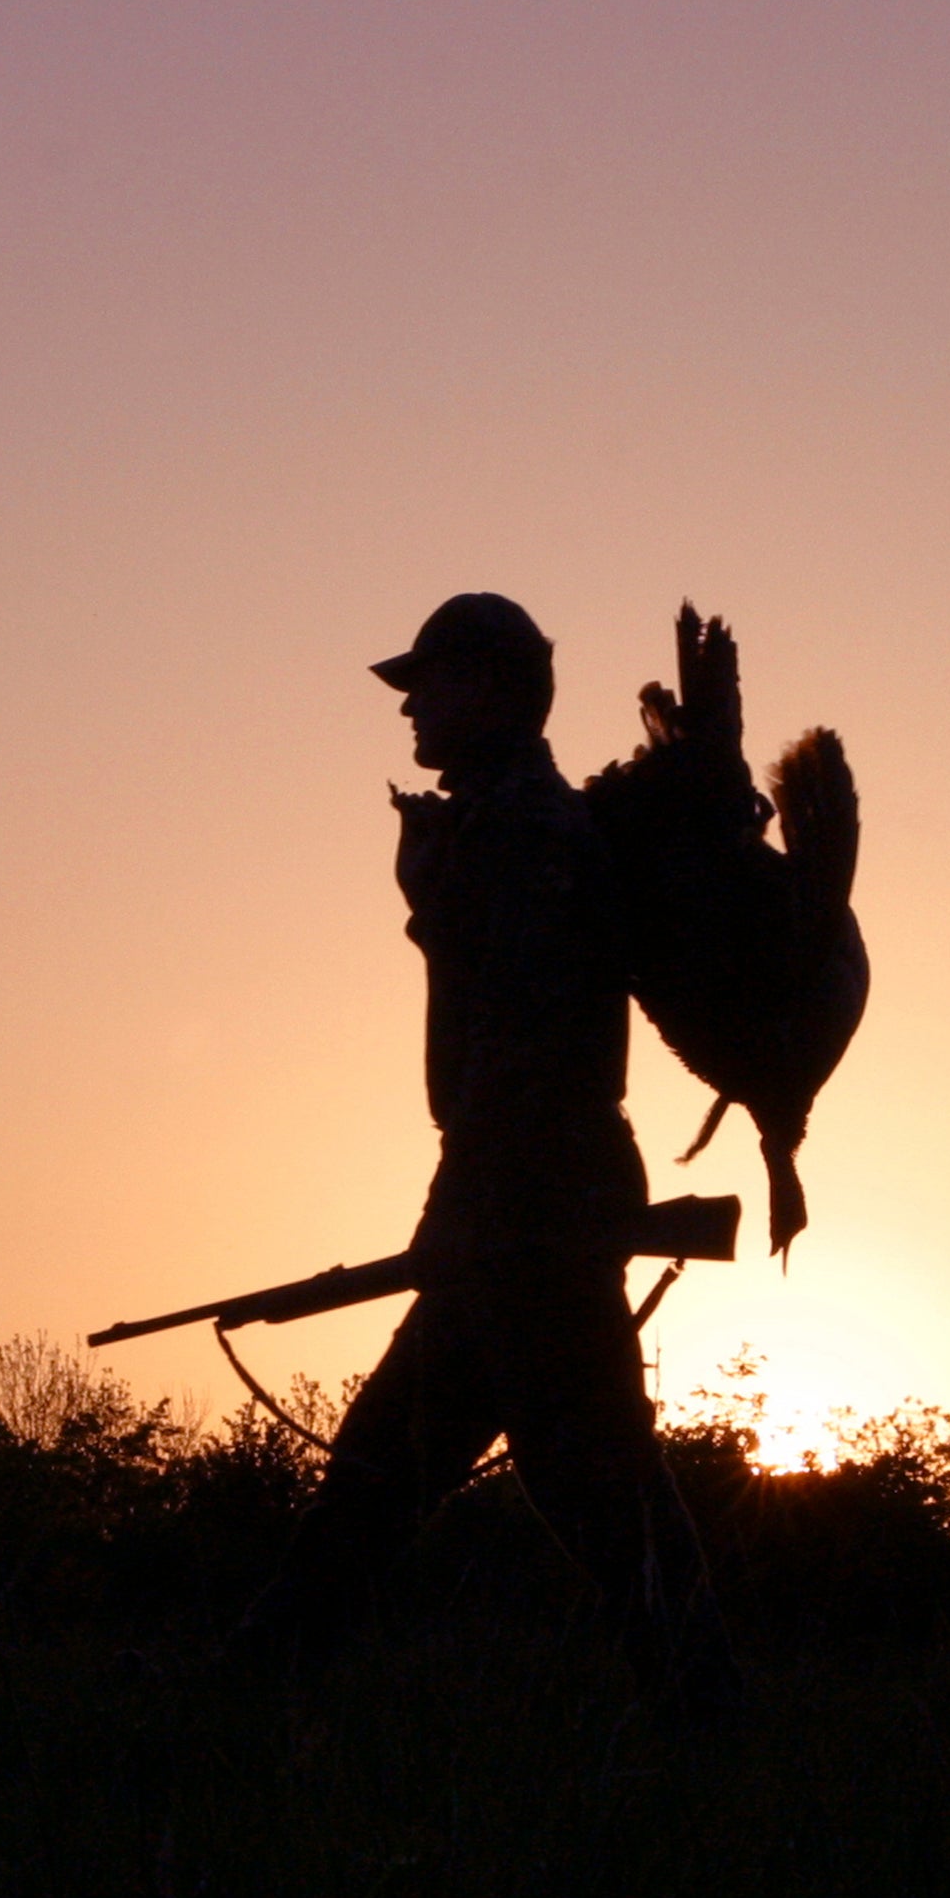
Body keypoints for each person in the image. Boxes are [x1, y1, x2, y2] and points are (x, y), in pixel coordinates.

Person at [235, 593, 736, 1705]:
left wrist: (482, 1220)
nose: (410, 704)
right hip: (510, 1196)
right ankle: (245, 1693)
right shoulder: (507, 824)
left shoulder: (524, 831)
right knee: (392, 1477)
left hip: (530, 1201)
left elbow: (522, 1039)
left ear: (499, 692)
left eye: (433, 681)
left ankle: (709, 1707)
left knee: (590, 1491)